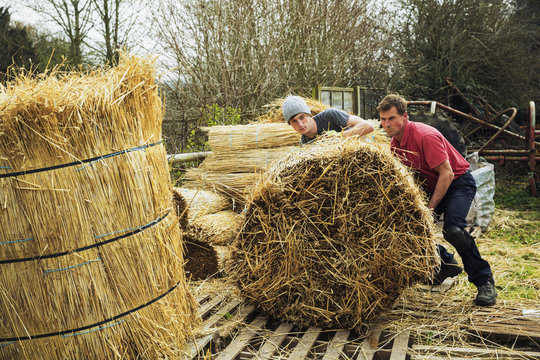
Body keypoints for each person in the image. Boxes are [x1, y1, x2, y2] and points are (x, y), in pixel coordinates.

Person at [377, 94, 496, 306]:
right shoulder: (395, 145)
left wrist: (429, 209)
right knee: (406, 224)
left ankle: (484, 280)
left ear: (405, 116)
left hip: (458, 182)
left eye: (392, 118)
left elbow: (447, 174)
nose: (387, 125)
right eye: (383, 119)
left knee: (454, 230)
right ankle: (444, 263)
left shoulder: (425, 135)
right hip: (432, 185)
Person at [282, 95, 374, 144]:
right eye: (294, 121)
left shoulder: (329, 116)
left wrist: (339, 136)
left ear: (309, 115)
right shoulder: (305, 144)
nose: (300, 124)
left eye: (302, 117)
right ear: (290, 124)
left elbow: (368, 126)